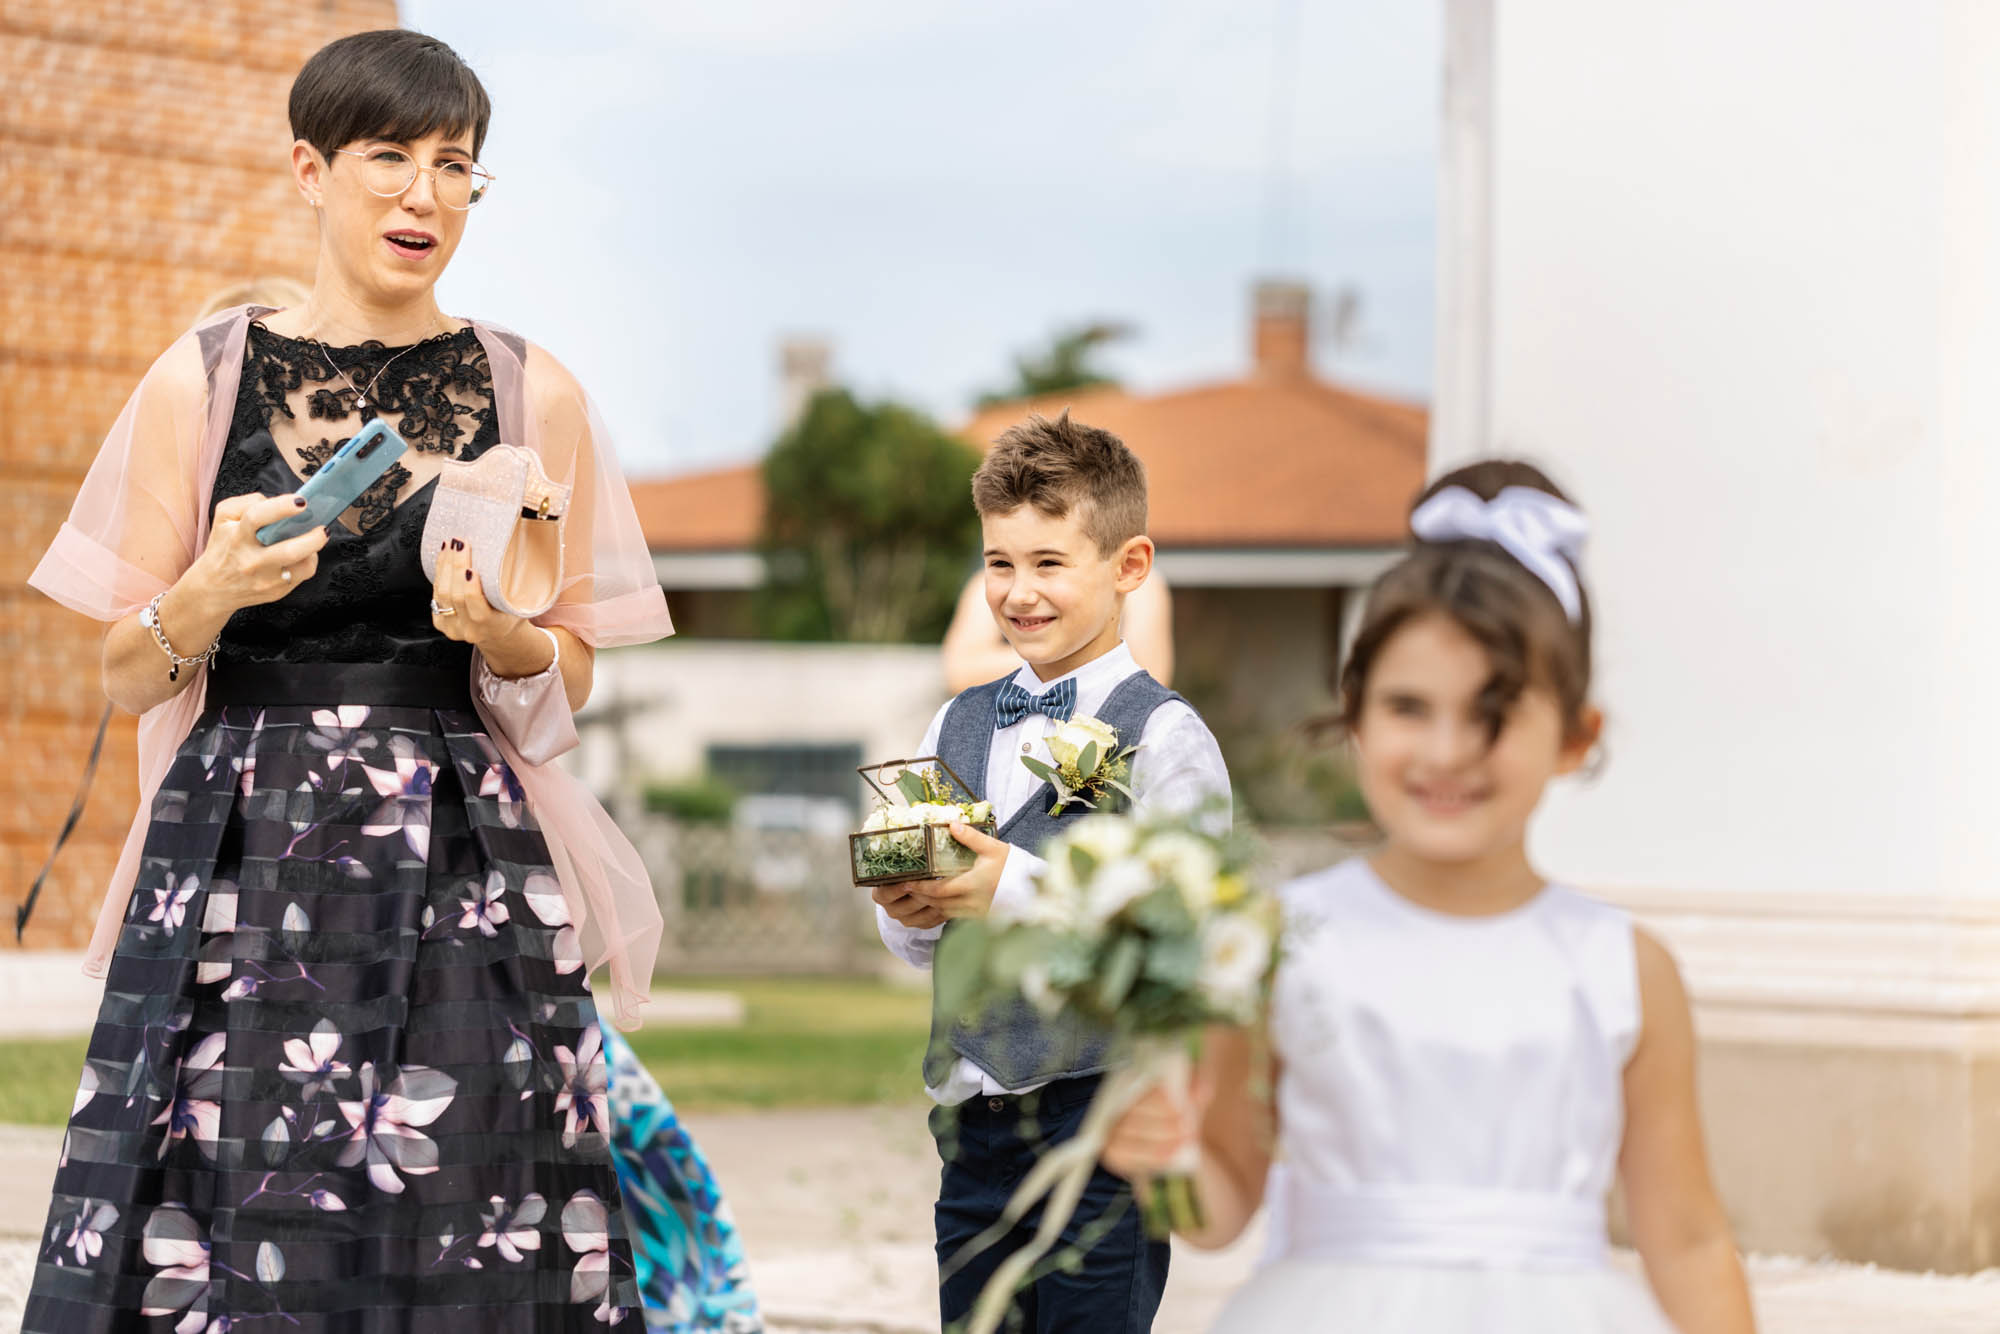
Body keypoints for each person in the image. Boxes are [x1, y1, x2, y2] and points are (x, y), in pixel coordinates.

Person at [22, 30, 678, 1330]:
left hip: (457, 849)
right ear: (310, 170)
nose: (424, 195)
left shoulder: (530, 390)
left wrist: (501, 632)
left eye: (455, 167)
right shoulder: (202, 380)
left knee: (463, 1197)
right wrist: (204, 597)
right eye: (390, 158)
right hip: (239, 844)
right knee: (229, 1194)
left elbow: (572, 668)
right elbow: (116, 669)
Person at [1099, 461, 1757, 1332]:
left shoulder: (1625, 970)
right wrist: (1165, 1160)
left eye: (1493, 710)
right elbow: (1222, 1212)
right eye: (1410, 707)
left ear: (1573, 734)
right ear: (1356, 713)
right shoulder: (1274, 942)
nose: (1447, 752)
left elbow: (1687, 1235)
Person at [874, 411, 1231, 1333]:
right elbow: (917, 947)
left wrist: (1014, 886)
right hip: (972, 1135)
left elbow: (1187, 943)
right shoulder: (952, 724)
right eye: (999, 563)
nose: (1018, 592)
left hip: (1101, 1127)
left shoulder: (1165, 736)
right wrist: (911, 906)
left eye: (1048, 563)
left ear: (1129, 567)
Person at [941, 564, 1174, 693]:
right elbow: (961, 672)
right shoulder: (988, 583)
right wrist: (1075, 653)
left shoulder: (1144, 585)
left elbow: (1149, 672)